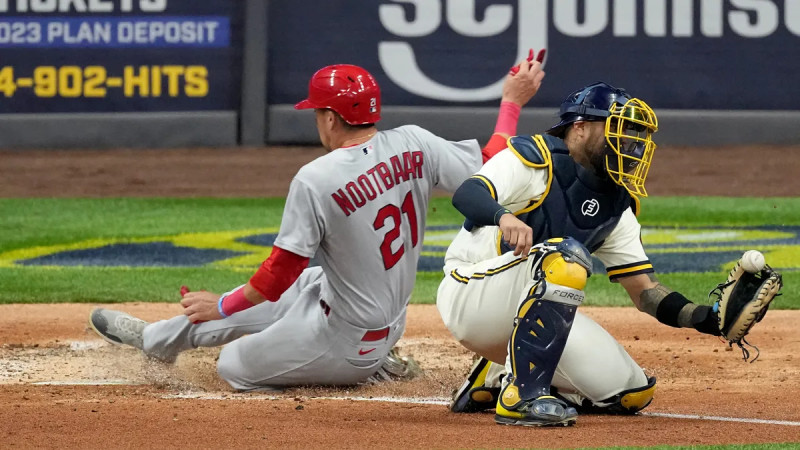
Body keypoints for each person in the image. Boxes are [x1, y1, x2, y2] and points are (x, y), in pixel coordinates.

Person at [87, 58, 546, 390]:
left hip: (348, 338)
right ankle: (155, 340)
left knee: (233, 366)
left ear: (330, 117)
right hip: (357, 304)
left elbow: (277, 272)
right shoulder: (415, 142)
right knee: (303, 285)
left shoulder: (317, 177)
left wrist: (223, 306)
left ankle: (369, 366)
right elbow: (489, 165)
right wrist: (510, 102)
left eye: (317, 113)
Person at [435, 81, 767, 427]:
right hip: (471, 294)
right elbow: (467, 193)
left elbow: (646, 292)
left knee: (629, 394)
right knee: (565, 257)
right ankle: (522, 396)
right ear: (579, 128)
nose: (630, 144)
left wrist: (705, 318)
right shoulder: (532, 158)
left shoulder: (617, 204)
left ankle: (497, 371)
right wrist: (504, 216)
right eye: (619, 131)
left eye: (635, 135)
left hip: (521, 311)